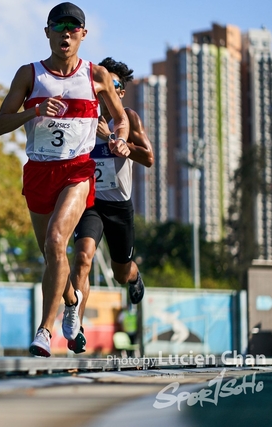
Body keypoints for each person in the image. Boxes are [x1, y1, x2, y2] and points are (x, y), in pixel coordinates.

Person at [0, 2, 130, 358]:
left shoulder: (96, 75)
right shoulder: (29, 74)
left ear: (83, 34)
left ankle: (44, 331)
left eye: (72, 28)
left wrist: (118, 138)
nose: (65, 34)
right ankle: (72, 300)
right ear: (47, 33)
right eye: (58, 27)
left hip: (77, 172)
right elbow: (0, 124)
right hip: (39, 172)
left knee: (57, 239)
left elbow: (121, 118)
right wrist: (34, 110)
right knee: (50, 253)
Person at [65, 57, 154, 354]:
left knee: (119, 272)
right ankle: (76, 325)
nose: (106, 91)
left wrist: (119, 141)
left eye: (113, 86)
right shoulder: (85, 114)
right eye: (101, 84)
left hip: (118, 206)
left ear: (121, 92)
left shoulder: (127, 116)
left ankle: (134, 274)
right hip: (90, 202)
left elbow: (149, 159)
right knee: (83, 257)